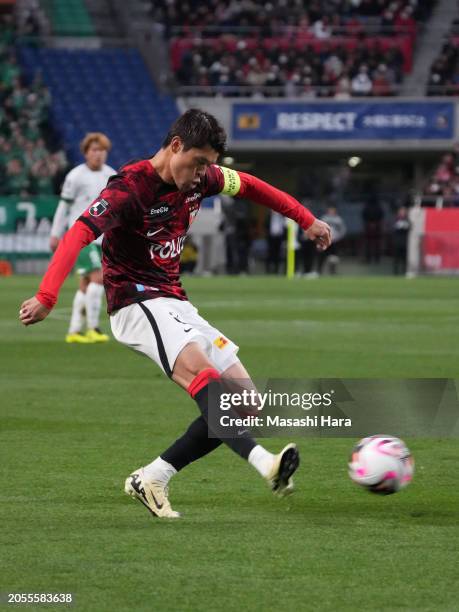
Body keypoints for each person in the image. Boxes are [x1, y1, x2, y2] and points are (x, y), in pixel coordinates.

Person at [19, 109, 331, 518]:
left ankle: (153, 477)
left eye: (210, 165)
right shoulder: (130, 189)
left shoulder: (206, 178)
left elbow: (252, 186)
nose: (204, 173)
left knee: (246, 402)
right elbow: (80, 232)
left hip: (175, 302)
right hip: (135, 302)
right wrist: (47, 294)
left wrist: (305, 219)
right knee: (205, 375)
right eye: (199, 162)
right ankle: (266, 464)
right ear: (176, 146)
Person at [49, 132, 116, 343]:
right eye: (94, 150)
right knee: (99, 277)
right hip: (81, 236)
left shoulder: (111, 175)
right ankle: (93, 328)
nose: (98, 154)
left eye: (102, 150)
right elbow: (64, 206)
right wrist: (55, 233)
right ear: (86, 153)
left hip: (102, 238)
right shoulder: (75, 176)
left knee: (86, 283)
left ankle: (75, 331)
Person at [316, 206, 346, 275]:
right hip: (325, 240)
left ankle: (333, 272)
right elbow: (319, 228)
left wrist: (338, 237)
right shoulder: (324, 218)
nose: (331, 211)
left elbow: (342, 230)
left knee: (333, 257)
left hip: (334, 241)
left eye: (332, 210)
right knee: (322, 256)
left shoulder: (338, 219)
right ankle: (319, 271)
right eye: (330, 210)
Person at [392, 207, 410, 275]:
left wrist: (405, 226)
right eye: (401, 212)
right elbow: (393, 228)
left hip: (404, 242)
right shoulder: (395, 220)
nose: (402, 213)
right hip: (397, 242)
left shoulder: (407, 220)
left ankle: (405, 271)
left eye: (404, 212)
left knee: (404, 258)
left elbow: (410, 227)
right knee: (396, 258)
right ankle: (395, 272)